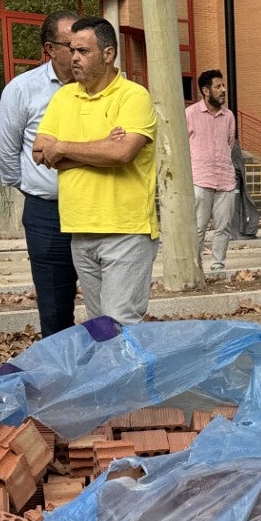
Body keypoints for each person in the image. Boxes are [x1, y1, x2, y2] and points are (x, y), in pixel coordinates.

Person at [34, 17, 160, 323]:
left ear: (108, 54)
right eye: (72, 50)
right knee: (98, 325)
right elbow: (40, 152)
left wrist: (64, 148)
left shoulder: (133, 96)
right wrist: (100, 147)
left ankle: (131, 360)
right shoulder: (64, 96)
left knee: (119, 321)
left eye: (83, 51)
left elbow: (121, 153)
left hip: (126, 231)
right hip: (80, 230)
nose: (74, 58)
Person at [0, 9, 83, 335]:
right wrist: (34, 185)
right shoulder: (23, 89)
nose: (79, 54)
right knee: (55, 308)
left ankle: (105, 364)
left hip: (99, 208)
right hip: (48, 213)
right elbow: (4, 152)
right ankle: (60, 366)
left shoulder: (102, 88)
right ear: (50, 49)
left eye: (85, 45)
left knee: (109, 306)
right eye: (72, 46)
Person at [186, 68, 237, 273]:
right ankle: (195, 268)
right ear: (206, 91)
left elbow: (229, 143)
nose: (223, 90)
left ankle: (218, 266)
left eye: (223, 85)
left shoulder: (229, 116)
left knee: (223, 227)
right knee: (198, 227)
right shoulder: (190, 114)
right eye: (218, 87)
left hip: (225, 179)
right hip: (200, 178)